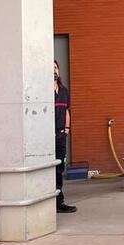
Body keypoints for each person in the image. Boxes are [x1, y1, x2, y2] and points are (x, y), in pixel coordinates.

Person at [53, 60, 77, 214]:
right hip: (46, 136)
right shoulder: (41, 90)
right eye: (50, 68)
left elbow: (67, 111)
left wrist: (67, 129)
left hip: (61, 134)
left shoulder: (63, 91)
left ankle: (58, 201)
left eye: (55, 67)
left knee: (59, 168)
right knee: (47, 168)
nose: (54, 71)